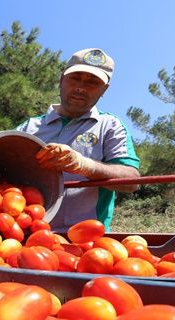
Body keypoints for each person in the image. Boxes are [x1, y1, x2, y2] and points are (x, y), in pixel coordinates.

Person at [16, 48, 140, 232]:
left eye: (93, 82)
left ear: (104, 90)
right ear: (61, 80)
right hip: (28, 237)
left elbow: (132, 181)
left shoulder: (110, 126)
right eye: (75, 78)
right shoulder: (29, 128)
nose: (81, 87)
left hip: (87, 241)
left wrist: (83, 165)